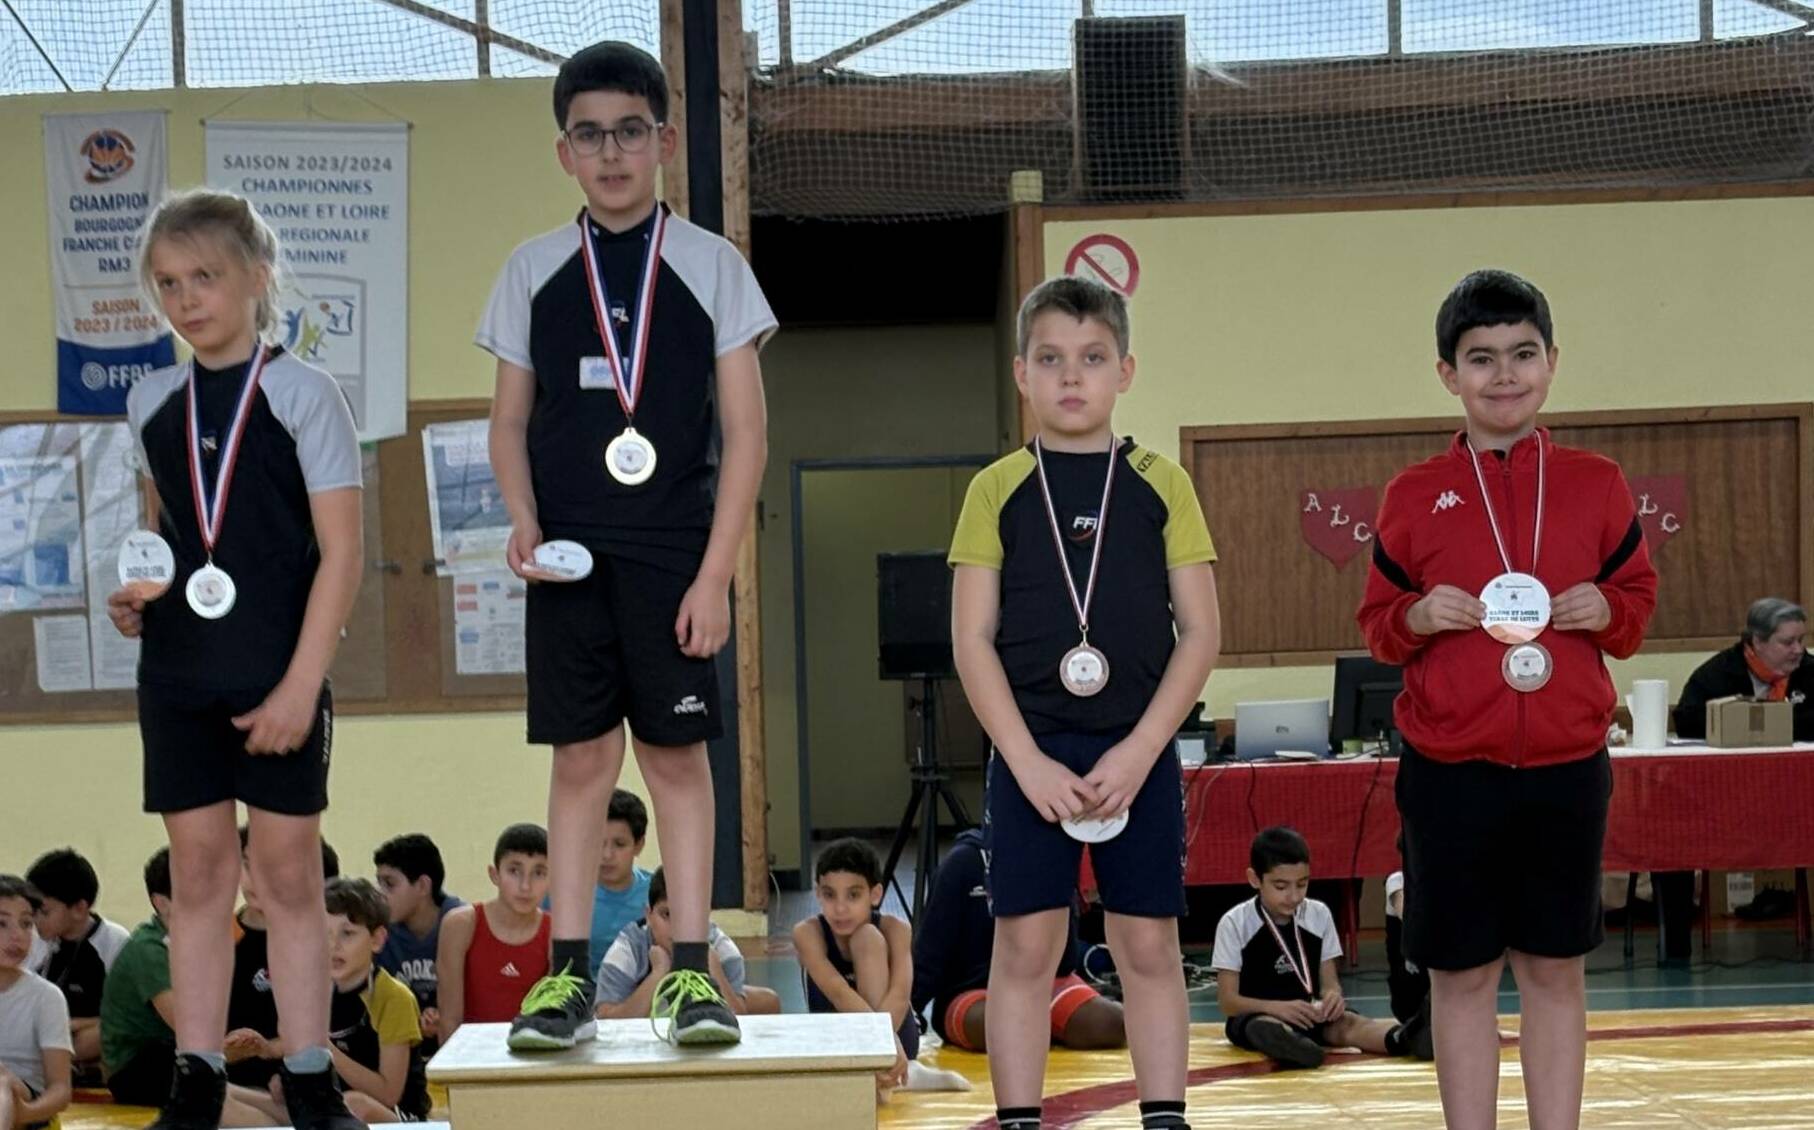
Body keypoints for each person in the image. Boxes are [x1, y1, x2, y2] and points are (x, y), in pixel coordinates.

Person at [477, 39, 776, 1050]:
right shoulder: (531, 270)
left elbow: (747, 434)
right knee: (580, 759)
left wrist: (715, 574)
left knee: (676, 758)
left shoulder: (711, 266)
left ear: (664, 141)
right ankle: (565, 978)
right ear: (564, 151)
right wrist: (523, 516)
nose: (610, 153)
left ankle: (688, 971)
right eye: (589, 135)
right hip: (568, 555)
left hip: (672, 555)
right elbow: (509, 422)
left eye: (630, 132)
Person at [1358, 269, 1657, 1130]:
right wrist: (1416, 615)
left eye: (1522, 354)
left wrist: (1610, 609)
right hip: (1450, 771)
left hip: (1567, 766)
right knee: (1461, 977)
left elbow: (1635, 608)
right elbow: (1379, 626)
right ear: (1448, 374)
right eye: (1481, 358)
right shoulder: (1413, 494)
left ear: (1552, 361)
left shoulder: (1597, 482)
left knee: (1556, 970)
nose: (1504, 375)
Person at [111, 185, 365, 1130]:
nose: (185, 300)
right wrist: (139, 597)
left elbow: (342, 553)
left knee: (290, 879)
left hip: (277, 676)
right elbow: (165, 539)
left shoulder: (305, 394)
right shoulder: (150, 401)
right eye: (168, 283)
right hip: (179, 675)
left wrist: (302, 684)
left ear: (258, 277)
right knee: (198, 880)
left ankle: (310, 1079)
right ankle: (198, 1081)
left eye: (204, 277)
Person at [949, 274, 1219, 1130]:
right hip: (1033, 754)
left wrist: (1142, 750)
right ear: (1022, 373)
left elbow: (1201, 632)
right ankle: (1019, 1120)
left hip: (1135, 750)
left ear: (1125, 371)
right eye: (1051, 359)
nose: (1072, 377)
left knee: (1148, 943)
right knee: (1025, 945)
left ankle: (1165, 1117)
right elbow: (971, 640)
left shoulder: (1162, 483)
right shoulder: (995, 488)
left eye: (1093, 358)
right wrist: (1024, 761)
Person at [1213, 828, 1431, 1069]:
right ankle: (1291, 1044)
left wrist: (1332, 998)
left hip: (1310, 1014)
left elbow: (1330, 983)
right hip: (1259, 1014)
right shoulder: (1235, 923)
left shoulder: (1318, 914)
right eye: (1281, 887)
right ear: (1255, 879)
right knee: (1261, 1026)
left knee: (1348, 1023)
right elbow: (1228, 1001)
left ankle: (1406, 1038)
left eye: (1302, 884)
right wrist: (1277, 1008)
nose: (1293, 896)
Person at [910, 828, 1124, 1054]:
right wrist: (910, 1015)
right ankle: (1039, 1026)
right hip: (973, 989)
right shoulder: (963, 862)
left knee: (1111, 1024)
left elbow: (1066, 959)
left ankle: (1040, 1025)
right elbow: (930, 953)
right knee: (1006, 1029)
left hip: (1048, 981)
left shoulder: (1053, 858)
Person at [100, 850, 266, 1127]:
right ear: (162, 903)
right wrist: (232, 1049)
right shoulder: (149, 948)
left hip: (179, 1053)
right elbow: (187, 1024)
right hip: (137, 1067)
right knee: (213, 1091)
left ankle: (284, 1112)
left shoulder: (205, 935)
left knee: (247, 1087)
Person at [793, 841, 916, 1094]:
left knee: (867, 937)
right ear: (818, 894)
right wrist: (881, 1042)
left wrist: (887, 1042)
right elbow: (838, 992)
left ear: (875, 894)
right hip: (841, 1041)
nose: (840, 908)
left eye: (853, 895)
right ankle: (883, 1068)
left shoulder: (896, 929)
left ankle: (885, 1069)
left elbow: (900, 994)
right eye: (830, 895)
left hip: (896, 1038)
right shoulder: (808, 933)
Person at [226, 831, 340, 1091]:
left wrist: (270, 1048)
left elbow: (332, 1030)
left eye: (269, 868)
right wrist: (221, 1052)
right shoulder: (220, 937)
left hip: (301, 1080)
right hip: (233, 1084)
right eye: (247, 865)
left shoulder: (320, 938)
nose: (255, 879)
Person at [594, 867, 778, 1020]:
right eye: (666, 914)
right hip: (642, 1040)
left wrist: (714, 969)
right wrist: (658, 974)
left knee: (769, 1000)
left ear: (705, 914)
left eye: (688, 915)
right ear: (649, 915)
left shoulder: (721, 948)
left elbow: (739, 1020)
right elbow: (606, 1021)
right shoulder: (628, 948)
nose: (677, 928)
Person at [434, 824, 552, 1043]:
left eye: (538, 873)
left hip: (530, 1054)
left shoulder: (554, 933)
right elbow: (449, 1018)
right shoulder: (461, 925)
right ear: (494, 874)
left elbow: (551, 1020)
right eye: (514, 871)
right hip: (469, 1055)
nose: (525, 886)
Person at [22, 848, 129, 1077]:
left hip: (85, 1037)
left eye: (44, 912)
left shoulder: (115, 942)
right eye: (32, 910)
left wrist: (75, 1024)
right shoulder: (34, 941)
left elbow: (127, 1017)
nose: (34, 920)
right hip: (46, 1035)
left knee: (109, 1032)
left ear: (79, 909)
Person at [1674, 597, 1811, 740]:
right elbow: (1686, 723)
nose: (1798, 650)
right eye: (1788, 642)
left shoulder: (1809, 670)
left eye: (1800, 640)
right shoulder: (1717, 674)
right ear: (1758, 642)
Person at [373, 834, 463, 1044]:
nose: (380, 894)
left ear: (422, 885)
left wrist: (445, 1017)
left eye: (389, 884)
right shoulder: (380, 932)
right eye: (379, 883)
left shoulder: (462, 925)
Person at [0, 875, 71, 1130]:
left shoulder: (46, 997)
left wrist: (24, 1114)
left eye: (26, 924)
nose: (17, 936)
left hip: (25, 1101)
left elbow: (61, 1089)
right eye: (2, 924)